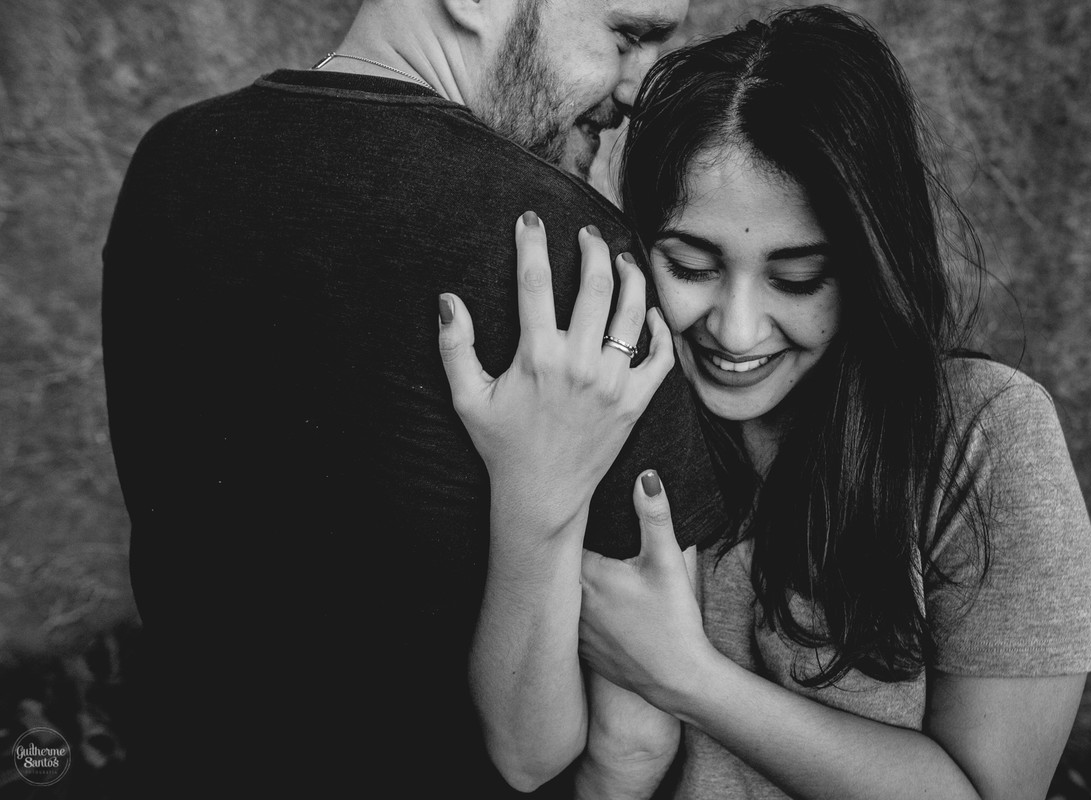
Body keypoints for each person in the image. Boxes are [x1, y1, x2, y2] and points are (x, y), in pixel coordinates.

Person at [436, 6, 1091, 799]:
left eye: (797, 278)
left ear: (870, 266)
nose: (737, 328)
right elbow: (537, 754)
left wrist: (687, 677)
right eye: (691, 265)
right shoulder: (617, 413)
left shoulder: (986, 437)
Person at [101, 0, 725, 796]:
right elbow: (632, 735)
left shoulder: (170, 164)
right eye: (626, 35)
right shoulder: (567, 257)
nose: (640, 88)